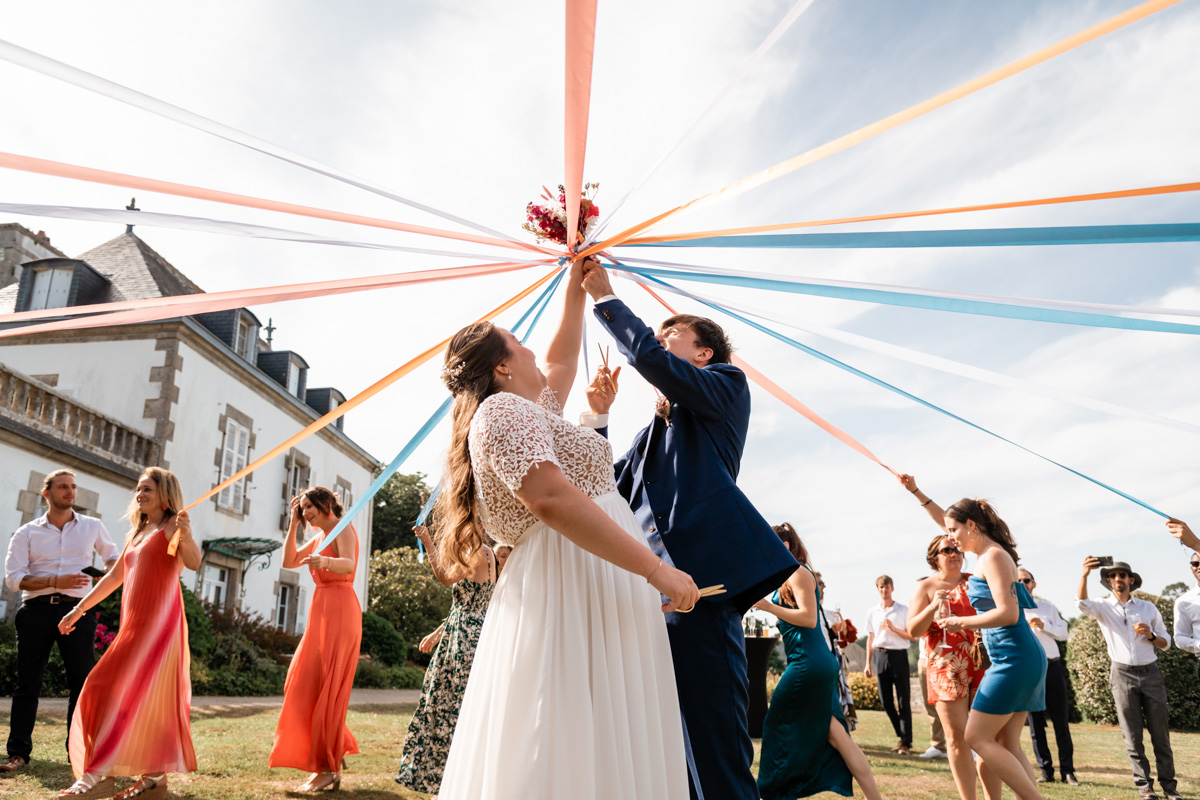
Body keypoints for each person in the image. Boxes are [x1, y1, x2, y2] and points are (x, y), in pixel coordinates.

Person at [433, 259, 700, 799]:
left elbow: (558, 357)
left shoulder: (527, 409)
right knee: (563, 722)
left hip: (590, 573)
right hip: (568, 576)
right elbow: (551, 500)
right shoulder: (503, 412)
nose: (531, 349)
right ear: (502, 368)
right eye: (517, 343)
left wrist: (577, 286)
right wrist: (654, 570)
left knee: (602, 720)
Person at [581, 261, 797, 800]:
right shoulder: (656, 428)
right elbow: (607, 488)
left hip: (704, 587)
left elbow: (655, 363)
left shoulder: (727, 385)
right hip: (651, 594)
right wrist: (600, 418)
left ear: (704, 353)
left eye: (669, 333)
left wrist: (606, 297)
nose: (656, 339)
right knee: (664, 742)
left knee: (713, 741)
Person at [55, 467, 201, 799]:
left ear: (165, 494)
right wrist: (79, 609)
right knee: (123, 694)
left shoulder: (172, 528)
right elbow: (113, 578)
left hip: (160, 626)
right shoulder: (137, 532)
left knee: (104, 687)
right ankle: (153, 777)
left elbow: (193, 563)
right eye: (138, 489)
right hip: (134, 625)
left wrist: (187, 535)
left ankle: (97, 775)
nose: (140, 494)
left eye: (147, 489)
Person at [912, 488, 1047, 800]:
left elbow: (1009, 613)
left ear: (971, 525)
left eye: (954, 531)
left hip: (1014, 658)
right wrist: (917, 493)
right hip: (1015, 657)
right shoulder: (986, 553)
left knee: (975, 737)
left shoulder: (993, 557)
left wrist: (963, 622)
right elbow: (947, 521)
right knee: (1005, 744)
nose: (951, 538)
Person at [2, 469, 118, 775]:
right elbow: (13, 580)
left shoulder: (92, 526)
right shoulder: (26, 533)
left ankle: (76, 752)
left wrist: (105, 574)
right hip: (35, 611)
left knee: (81, 683)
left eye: (73, 487)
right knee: (28, 683)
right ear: (46, 493)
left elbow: (114, 560)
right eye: (63, 487)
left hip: (79, 611)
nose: (70, 492)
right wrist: (55, 580)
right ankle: (18, 754)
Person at [754, 523, 882, 800]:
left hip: (807, 665)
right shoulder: (785, 576)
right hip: (813, 663)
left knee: (776, 723)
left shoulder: (798, 573)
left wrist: (768, 606)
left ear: (785, 546)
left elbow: (809, 618)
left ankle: (772, 791)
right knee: (837, 736)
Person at [269, 487, 362, 792]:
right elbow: (289, 560)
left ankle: (327, 767)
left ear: (325, 505)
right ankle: (333, 747)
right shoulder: (321, 537)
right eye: (303, 508)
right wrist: (293, 524)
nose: (306, 512)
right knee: (300, 682)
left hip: (340, 610)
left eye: (309, 507)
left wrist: (326, 564)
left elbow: (349, 564)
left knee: (328, 689)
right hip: (320, 612)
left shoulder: (342, 527)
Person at [396, 524, 495, 794]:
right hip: (463, 631)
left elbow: (443, 577)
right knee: (446, 702)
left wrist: (428, 542)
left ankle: (450, 779)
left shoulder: (476, 553)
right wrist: (437, 634)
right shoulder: (485, 553)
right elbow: (463, 605)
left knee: (451, 706)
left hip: (465, 640)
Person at [1078, 557, 1179, 800]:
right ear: (1108, 581)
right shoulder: (1102, 607)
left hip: (1150, 672)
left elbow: (1167, 644)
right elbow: (1081, 604)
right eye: (1112, 576)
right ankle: (1145, 787)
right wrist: (1084, 575)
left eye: (1122, 575)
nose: (1117, 579)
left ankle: (1169, 788)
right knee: (1132, 735)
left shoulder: (1147, 608)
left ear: (1130, 580)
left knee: (1160, 734)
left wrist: (1152, 635)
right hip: (1121, 673)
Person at [905, 523, 988, 800]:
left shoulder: (974, 580)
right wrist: (932, 606)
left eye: (956, 549)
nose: (954, 553)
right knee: (956, 737)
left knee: (987, 738)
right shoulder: (926, 586)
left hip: (980, 663)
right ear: (934, 557)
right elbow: (913, 630)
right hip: (944, 665)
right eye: (947, 550)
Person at [1018, 568, 1078, 785]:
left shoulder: (1048, 608)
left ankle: (1068, 771)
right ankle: (1046, 770)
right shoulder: (1010, 611)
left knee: (1061, 721)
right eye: (1018, 581)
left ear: (1034, 584)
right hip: (1029, 671)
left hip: (1052, 668)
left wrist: (1046, 626)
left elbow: (1065, 634)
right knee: (1035, 724)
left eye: (1026, 580)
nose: (1023, 583)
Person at [864, 574, 914, 754]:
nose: (884, 590)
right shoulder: (872, 612)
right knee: (886, 701)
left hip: (899, 655)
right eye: (881, 587)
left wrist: (894, 628)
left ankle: (906, 743)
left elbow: (912, 636)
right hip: (880, 656)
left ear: (892, 588)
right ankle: (902, 736)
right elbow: (871, 638)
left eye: (887, 587)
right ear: (877, 590)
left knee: (903, 700)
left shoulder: (903, 610)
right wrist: (868, 663)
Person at [1174, 549, 1200, 673]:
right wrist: (1198, 645)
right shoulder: (1184, 602)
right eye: (1195, 564)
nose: (1199, 567)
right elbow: (1180, 638)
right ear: (1191, 568)